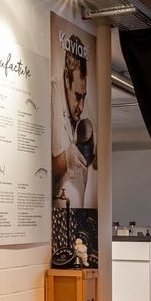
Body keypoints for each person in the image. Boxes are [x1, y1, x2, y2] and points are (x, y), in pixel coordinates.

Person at [52, 48, 93, 207]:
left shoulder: (82, 107)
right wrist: (66, 159)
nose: (81, 106)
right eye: (77, 96)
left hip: (78, 209)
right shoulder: (52, 94)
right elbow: (39, 167)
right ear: (66, 78)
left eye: (84, 97)